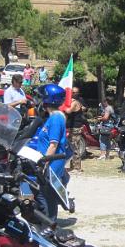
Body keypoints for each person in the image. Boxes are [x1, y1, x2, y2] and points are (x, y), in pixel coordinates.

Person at [33, 84, 69, 222]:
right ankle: (49, 222)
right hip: (49, 162)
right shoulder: (53, 117)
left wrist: (44, 163)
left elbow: (53, 145)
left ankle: (49, 223)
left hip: (51, 163)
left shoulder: (55, 119)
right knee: (45, 194)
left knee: (46, 195)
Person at [64, 86, 87, 171]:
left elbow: (68, 111)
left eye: (74, 93)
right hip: (71, 127)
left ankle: (77, 168)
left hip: (75, 127)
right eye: (72, 92)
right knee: (72, 147)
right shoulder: (72, 101)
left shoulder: (75, 102)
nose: (72, 94)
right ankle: (73, 166)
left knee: (75, 147)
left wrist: (62, 106)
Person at [97, 96, 115, 160]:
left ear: (106, 102)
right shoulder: (111, 107)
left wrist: (100, 118)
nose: (103, 103)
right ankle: (107, 155)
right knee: (108, 140)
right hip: (110, 126)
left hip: (106, 126)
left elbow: (105, 117)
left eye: (104, 102)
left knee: (102, 140)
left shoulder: (107, 108)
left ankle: (102, 155)